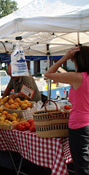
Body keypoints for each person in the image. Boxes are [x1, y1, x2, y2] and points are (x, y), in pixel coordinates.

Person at [44, 46, 89, 175]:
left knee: (82, 166)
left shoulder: (78, 77)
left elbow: (48, 74)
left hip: (79, 126)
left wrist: (65, 57)